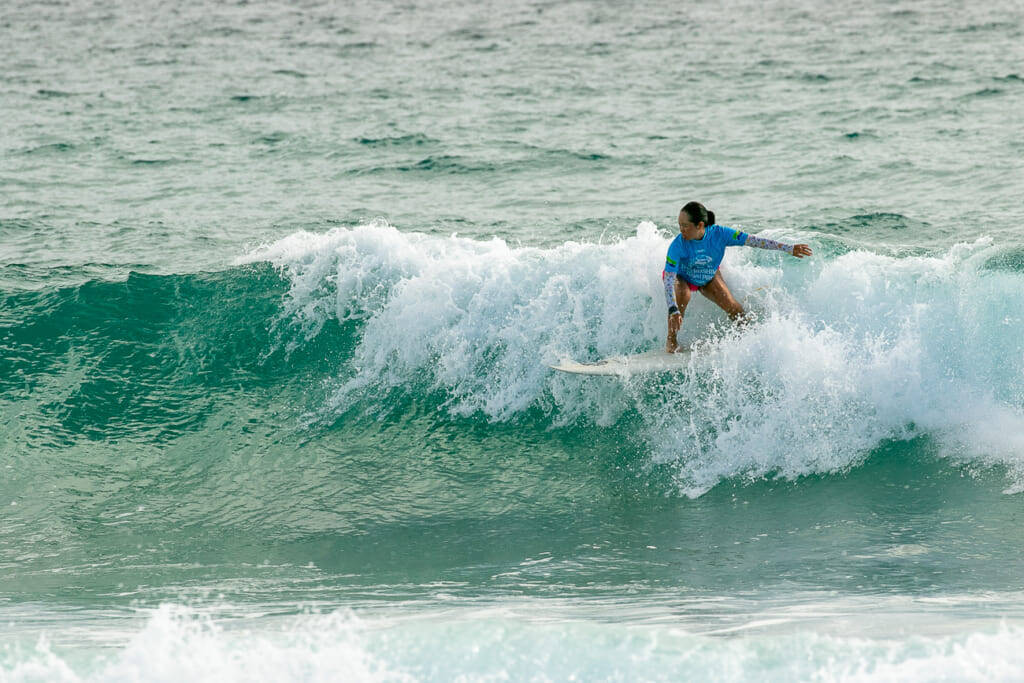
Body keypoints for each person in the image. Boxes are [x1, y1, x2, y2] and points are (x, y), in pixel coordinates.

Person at [663, 201, 812, 353]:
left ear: (700, 225)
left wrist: (788, 248)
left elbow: (753, 241)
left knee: (734, 308)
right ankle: (671, 340)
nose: (681, 230)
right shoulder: (677, 245)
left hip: (708, 275)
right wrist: (673, 308)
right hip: (683, 277)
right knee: (683, 295)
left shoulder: (720, 234)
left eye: (685, 225)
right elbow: (668, 279)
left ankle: (748, 341)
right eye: (679, 225)